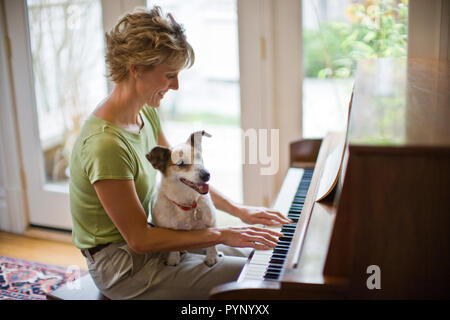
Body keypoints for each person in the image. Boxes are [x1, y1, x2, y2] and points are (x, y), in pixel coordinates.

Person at [69, 6, 291, 300]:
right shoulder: (105, 145)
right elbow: (139, 239)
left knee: (267, 253)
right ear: (136, 69)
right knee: (254, 284)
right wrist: (222, 233)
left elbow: (180, 176)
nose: (176, 85)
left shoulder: (146, 113)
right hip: (122, 266)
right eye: (170, 75)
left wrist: (239, 212)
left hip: (156, 239)